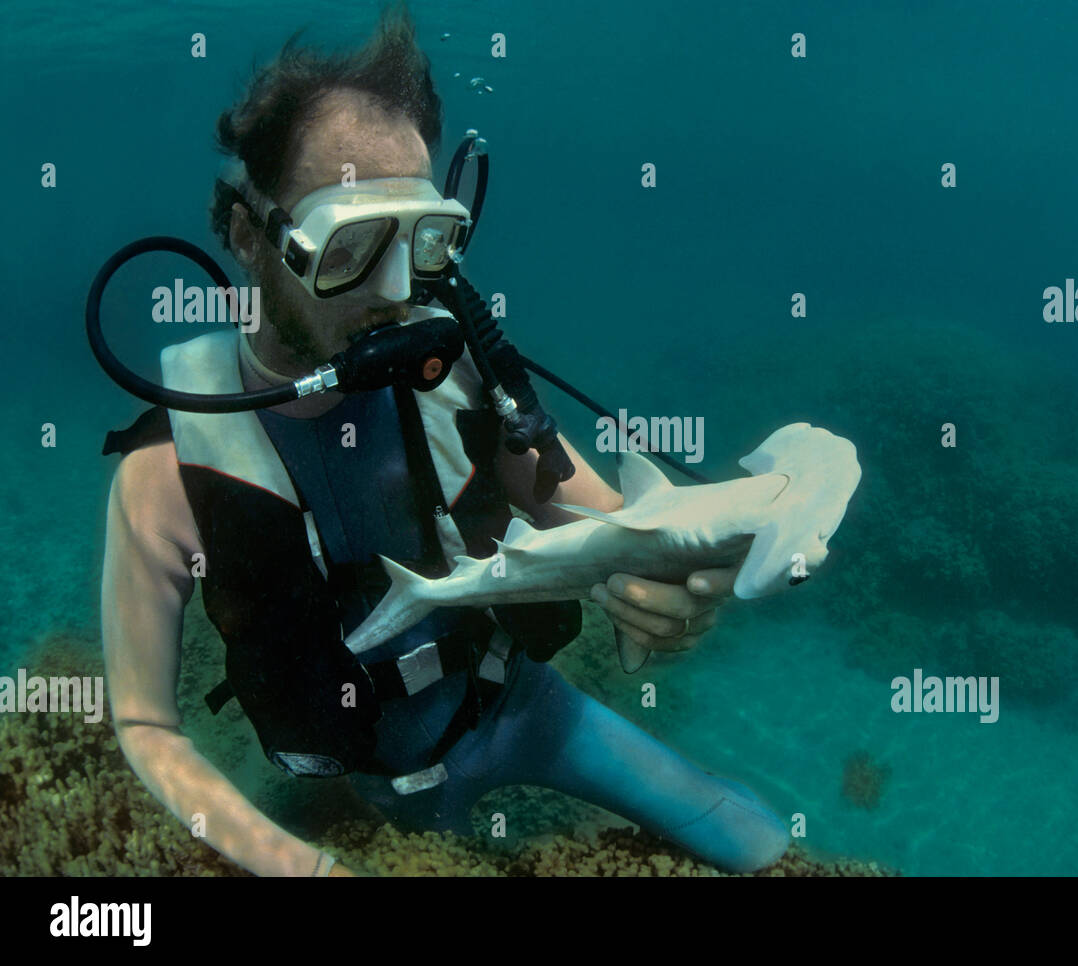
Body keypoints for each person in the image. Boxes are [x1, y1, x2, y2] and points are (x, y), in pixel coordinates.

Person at [99, 6, 789, 877]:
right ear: (248, 236)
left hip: (516, 705)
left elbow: (623, 526)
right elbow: (148, 726)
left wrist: (681, 582)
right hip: (375, 778)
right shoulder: (166, 473)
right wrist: (303, 869)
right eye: (350, 246)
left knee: (755, 844)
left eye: (423, 243)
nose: (397, 292)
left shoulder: (459, 373)